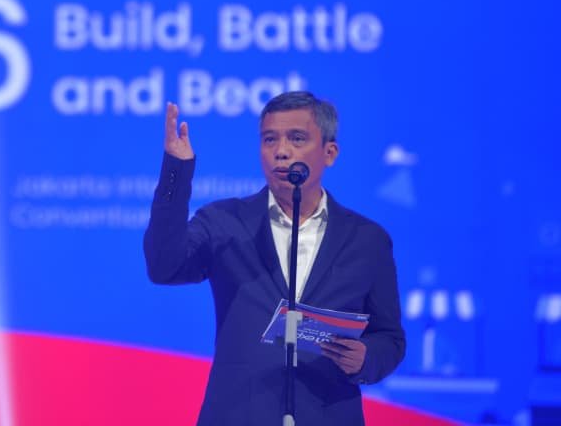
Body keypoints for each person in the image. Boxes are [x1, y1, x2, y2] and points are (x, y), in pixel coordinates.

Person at [144, 91, 405, 425]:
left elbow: (390, 338)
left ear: (329, 153)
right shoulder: (225, 222)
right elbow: (164, 266)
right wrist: (175, 173)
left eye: (297, 138)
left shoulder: (368, 240)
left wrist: (365, 359)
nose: (281, 151)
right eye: (270, 139)